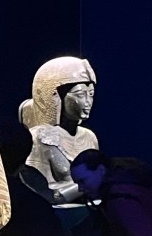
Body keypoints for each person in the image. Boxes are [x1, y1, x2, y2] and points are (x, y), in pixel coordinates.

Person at [18, 56, 99, 205]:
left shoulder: (90, 137)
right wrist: (88, 184)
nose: (88, 102)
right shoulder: (39, 138)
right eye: (80, 95)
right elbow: (44, 193)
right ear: (55, 97)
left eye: (91, 94)